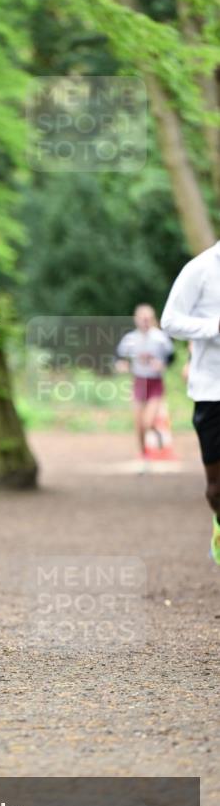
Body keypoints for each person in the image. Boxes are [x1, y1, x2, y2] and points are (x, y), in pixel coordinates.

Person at [161, 241, 220, 565]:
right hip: (212, 389)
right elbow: (170, 321)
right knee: (215, 490)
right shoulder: (201, 268)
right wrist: (213, 327)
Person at [115, 304, 174, 461]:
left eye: (148, 318)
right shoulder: (130, 339)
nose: (145, 322)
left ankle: (156, 432)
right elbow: (119, 356)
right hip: (139, 382)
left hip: (155, 383)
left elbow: (171, 357)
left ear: (153, 319)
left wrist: (163, 364)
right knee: (139, 424)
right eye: (142, 318)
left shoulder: (160, 338)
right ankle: (143, 454)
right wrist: (121, 364)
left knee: (147, 422)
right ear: (136, 320)